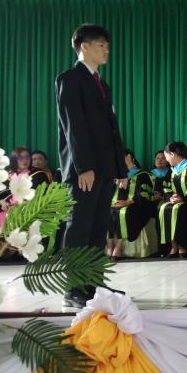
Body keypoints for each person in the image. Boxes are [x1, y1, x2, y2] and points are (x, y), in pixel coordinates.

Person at [55, 24, 127, 308]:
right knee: (79, 228)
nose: (106, 50)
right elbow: (73, 125)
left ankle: (93, 285)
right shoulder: (70, 79)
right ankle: (73, 288)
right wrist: (83, 167)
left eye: (107, 46)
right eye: (101, 45)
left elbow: (111, 128)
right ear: (84, 46)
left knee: (98, 228)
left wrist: (120, 168)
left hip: (105, 168)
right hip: (83, 169)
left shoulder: (102, 84)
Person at [108, 149, 154, 258]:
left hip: (136, 205)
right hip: (115, 205)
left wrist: (128, 202)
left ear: (128, 157)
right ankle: (110, 244)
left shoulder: (143, 174)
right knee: (106, 212)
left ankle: (119, 246)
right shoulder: (116, 176)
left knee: (123, 213)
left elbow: (145, 194)